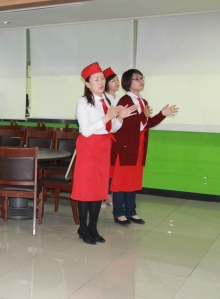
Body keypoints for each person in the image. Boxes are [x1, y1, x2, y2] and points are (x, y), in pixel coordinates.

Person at [71, 62, 137, 245]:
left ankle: (93, 227)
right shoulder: (83, 103)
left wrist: (120, 119)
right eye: (96, 79)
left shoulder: (107, 102)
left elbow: (111, 128)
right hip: (88, 148)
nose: (100, 82)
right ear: (87, 84)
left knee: (99, 189)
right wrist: (107, 117)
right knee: (85, 189)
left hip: (103, 147)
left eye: (102, 79)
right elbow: (85, 130)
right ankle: (83, 228)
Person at [111, 69, 178, 225]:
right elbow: (123, 124)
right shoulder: (125, 100)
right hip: (126, 147)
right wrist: (143, 115)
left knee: (133, 179)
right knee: (121, 181)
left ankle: (131, 211)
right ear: (128, 82)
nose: (141, 81)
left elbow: (146, 124)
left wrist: (162, 114)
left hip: (138, 145)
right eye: (137, 78)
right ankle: (119, 213)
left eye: (142, 78)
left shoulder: (143, 101)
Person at [102, 67, 121, 208]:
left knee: (113, 168)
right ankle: (103, 195)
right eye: (113, 80)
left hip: (117, 136)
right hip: (106, 136)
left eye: (117, 80)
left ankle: (108, 193)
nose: (117, 82)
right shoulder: (104, 99)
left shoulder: (119, 99)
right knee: (105, 167)